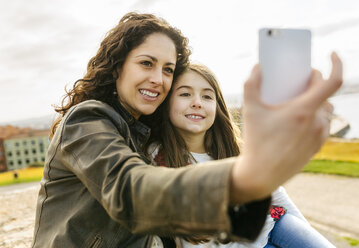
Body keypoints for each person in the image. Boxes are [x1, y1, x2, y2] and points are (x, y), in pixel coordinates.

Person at [31, 11, 343, 248]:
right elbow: (131, 193)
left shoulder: (141, 130)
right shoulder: (86, 121)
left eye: (167, 69)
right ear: (117, 66)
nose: (159, 78)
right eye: (146, 63)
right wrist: (248, 174)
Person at [148, 63, 335, 247]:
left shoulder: (233, 150)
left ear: (217, 106)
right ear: (167, 103)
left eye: (207, 96)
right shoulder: (158, 156)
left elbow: (277, 195)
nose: (197, 102)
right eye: (185, 94)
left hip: (276, 224)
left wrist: (307, 234)